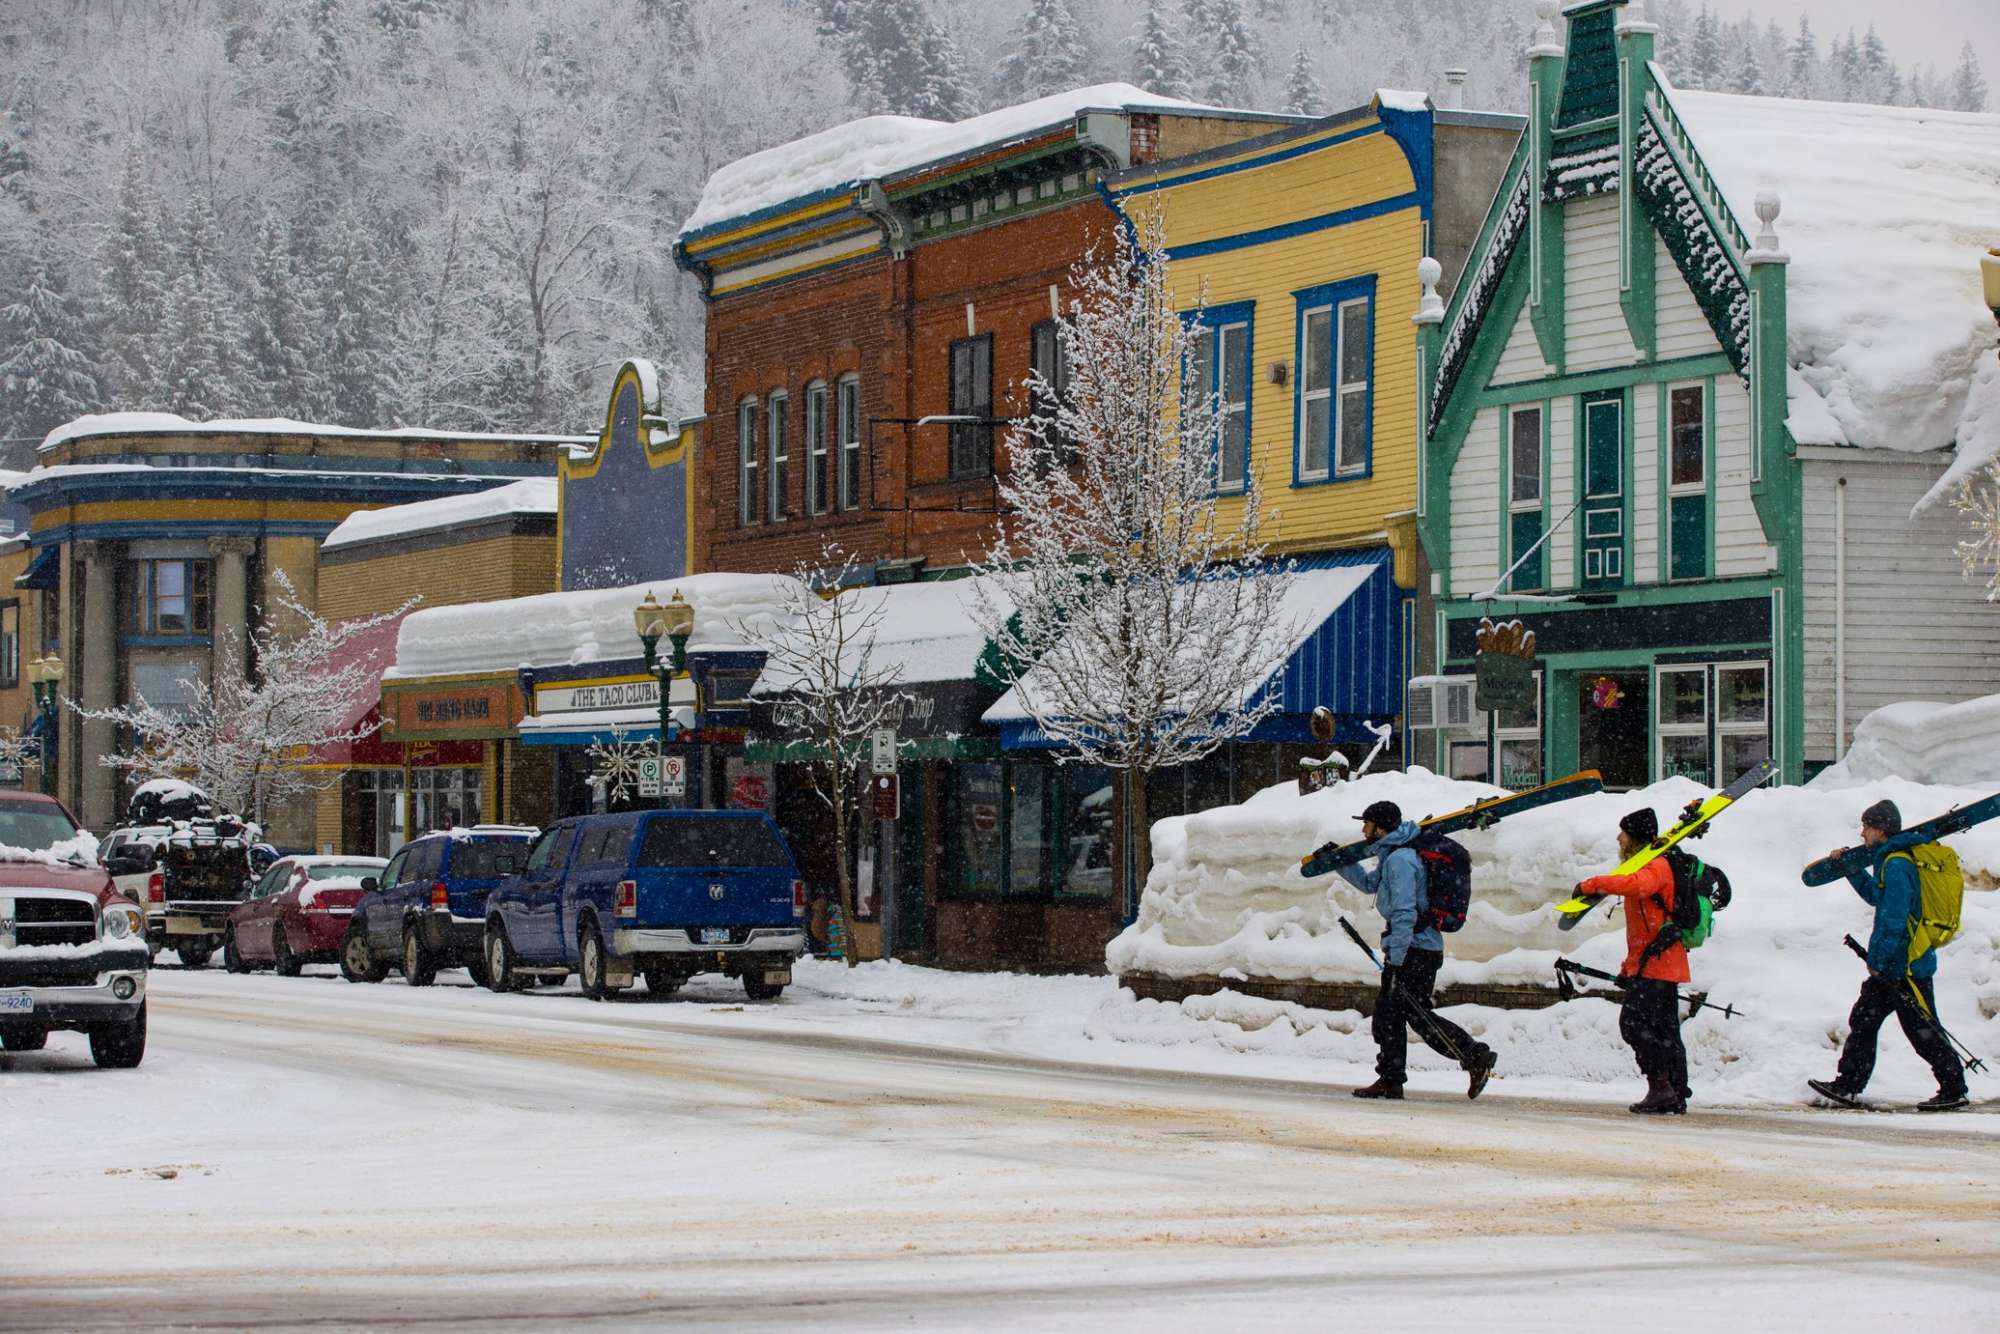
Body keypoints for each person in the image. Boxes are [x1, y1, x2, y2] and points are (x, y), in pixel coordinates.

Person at [1808, 800, 1967, 1112]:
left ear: (1880, 829)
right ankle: (1848, 1085)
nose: (1862, 832)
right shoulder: (1891, 860)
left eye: (1866, 826)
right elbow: (1875, 897)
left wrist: (1880, 963)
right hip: (1896, 963)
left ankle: (1953, 1088)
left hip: (1905, 965)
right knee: (1864, 1021)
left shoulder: (1897, 865)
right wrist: (1851, 868)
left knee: (1922, 1030)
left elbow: (1895, 920)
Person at [1336, 800, 1497, 1100]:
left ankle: (1475, 1055)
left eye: (1367, 824)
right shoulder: (1393, 854)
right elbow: (1371, 884)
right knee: (1390, 1015)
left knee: (1417, 1015)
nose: (1363, 830)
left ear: (1381, 828)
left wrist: (1396, 961)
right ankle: (1391, 1079)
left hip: (1415, 951)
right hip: (1412, 948)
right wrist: (1340, 862)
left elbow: (1405, 914)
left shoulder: (1401, 860)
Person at [1572, 808, 1690, 1114]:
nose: (1618, 837)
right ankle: (1674, 1091)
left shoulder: (1657, 865)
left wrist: (1593, 884)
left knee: (1633, 1024)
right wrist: (1630, 968)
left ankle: (1662, 1087)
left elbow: (1639, 885)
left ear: (1634, 838)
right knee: (1664, 1029)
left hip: (1659, 963)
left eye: (1623, 832)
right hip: (1657, 962)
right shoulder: (1652, 864)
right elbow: (1644, 926)